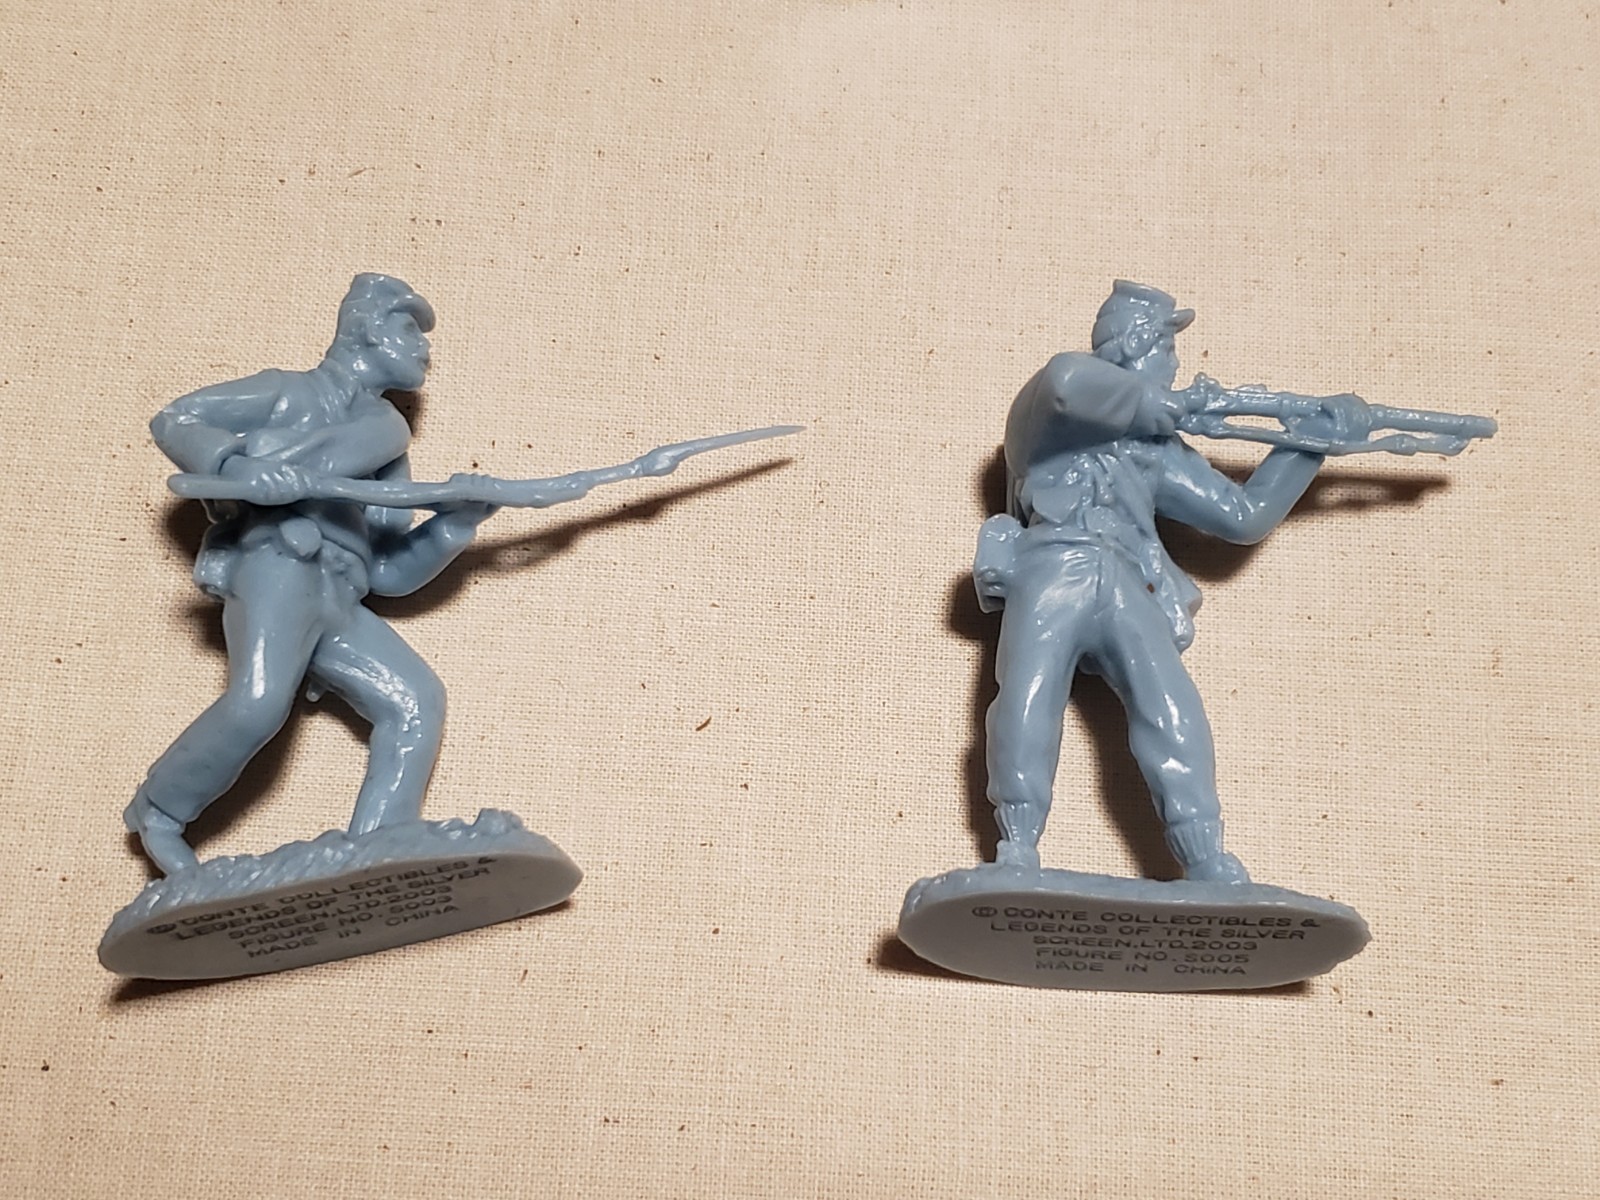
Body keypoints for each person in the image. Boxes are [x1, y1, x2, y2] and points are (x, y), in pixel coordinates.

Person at [979, 280, 1368, 881]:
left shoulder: (1157, 450)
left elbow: (1242, 517)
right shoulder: (1052, 416)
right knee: (1028, 698)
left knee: (1172, 710)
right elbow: (1064, 382)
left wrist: (1311, 440)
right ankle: (1017, 846)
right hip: (1053, 563)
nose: (1174, 366)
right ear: (1135, 345)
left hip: (1128, 581)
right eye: (1166, 350)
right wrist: (1155, 406)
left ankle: (1204, 855)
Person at [125, 274, 499, 874]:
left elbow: (389, 572)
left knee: (415, 700)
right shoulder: (288, 394)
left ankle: (378, 845)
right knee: (257, 704)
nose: (422, 347)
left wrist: (454, 525)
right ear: (368, 331)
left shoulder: (386, 443)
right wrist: (237, 465)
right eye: (408, 330)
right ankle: (160, 812)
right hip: (279, 564)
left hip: (340, 594)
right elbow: (175, 418)